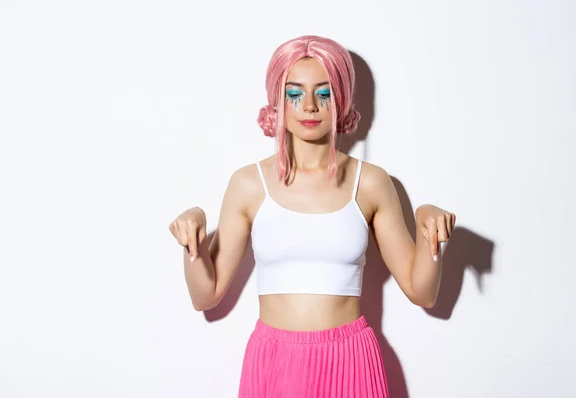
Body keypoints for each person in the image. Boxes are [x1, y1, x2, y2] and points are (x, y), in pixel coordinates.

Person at [168, 35, 456, 398]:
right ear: (278, 101)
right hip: (274, 362)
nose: (309, 106)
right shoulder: (248, 185)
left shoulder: (370, 182)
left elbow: (423, 292)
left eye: (324, 94)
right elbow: (205, 295)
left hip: (351, 360)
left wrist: (429, 230)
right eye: (294, 94)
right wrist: (192, 237)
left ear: (342, 99)